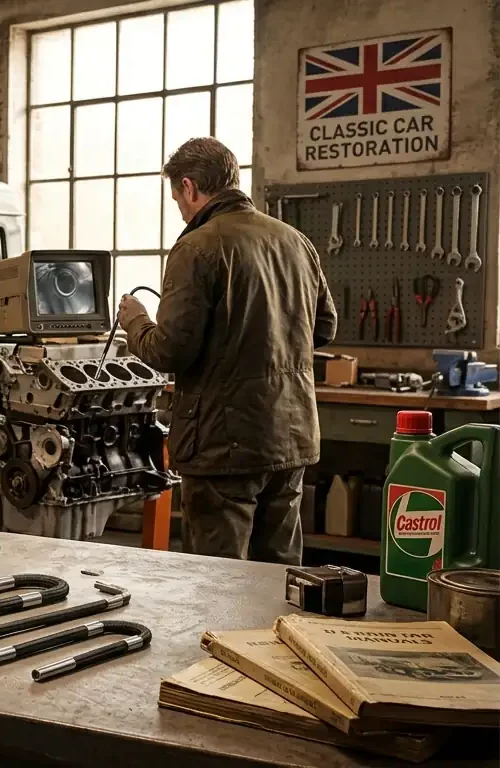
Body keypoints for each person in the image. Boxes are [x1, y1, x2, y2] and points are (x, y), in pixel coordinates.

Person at [116, 137, 336, 565]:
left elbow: (170, 351)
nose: (180, 209)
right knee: (278, 575)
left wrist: (135, 321)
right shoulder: (295, 241)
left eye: (177, 198)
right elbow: (323, 328)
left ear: (190, 187)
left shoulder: (196, 247)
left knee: (218, 577)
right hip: (290, 434)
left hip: (223, 444)